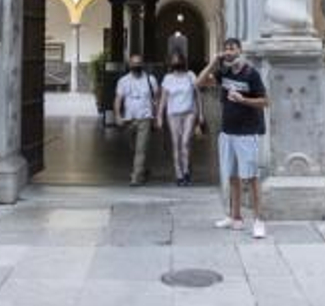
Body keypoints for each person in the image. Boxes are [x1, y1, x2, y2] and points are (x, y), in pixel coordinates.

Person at [199, 37, 268, 238]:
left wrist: (243, 99)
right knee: (232, 176)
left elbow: (265, 101)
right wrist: (213, 61)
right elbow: (199, 82)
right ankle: (235, 217)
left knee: (251, 178)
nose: (229, 51)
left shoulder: (251, 74)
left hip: (247, 133)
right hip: (227, 132)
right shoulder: (224, 73)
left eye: (232, 48)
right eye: (226, 49)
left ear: (240, 50)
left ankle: (258, 221)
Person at [114, 53, 160, 186]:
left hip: (145, 118)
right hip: (129, 120)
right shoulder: (123, 81)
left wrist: (157, 117)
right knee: (134, 148)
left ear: (142, 64)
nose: (136, 65)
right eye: (134, 63)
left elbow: (156, 99)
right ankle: (142, 169)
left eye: (139, 63)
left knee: (141, 149)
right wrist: (117, 115)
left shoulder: (150, 80)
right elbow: (118, 99)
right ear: (129, 65)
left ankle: (136, 177)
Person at [158, 51, 202, 186]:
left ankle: (187, 170)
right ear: (170, 62)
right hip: (173, 114)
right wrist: (159, 116)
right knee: (176, 143)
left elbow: (198, 96)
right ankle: (179, 173)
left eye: (179, 60)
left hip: (189, 112)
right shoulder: (167, 78)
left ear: (183, 61)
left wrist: (201, 114)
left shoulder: (191, 76)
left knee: (185, 143)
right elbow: (163, 99)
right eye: (174, 60)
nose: (176, 62)